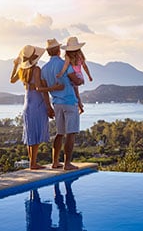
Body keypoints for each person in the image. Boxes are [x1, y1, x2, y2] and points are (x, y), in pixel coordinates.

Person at [10, 45, 64, 170]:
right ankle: (33, 163)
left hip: (27, 104)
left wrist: (15, 65)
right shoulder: (36, 70)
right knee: (37, 134)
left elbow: (12, 80)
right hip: (37, 104)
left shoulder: (22, 71)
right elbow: (40, 89)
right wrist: (54, 88)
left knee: (31, 134)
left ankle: (32, 162)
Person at [41, 38, 83, 170]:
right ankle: (67, 163)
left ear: (48, 52)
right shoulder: (64, 64)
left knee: (60, 133)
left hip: (56, 103)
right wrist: (81, 80)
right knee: (71, 133)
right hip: (69, 102)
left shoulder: (44, 69)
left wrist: (48, 107)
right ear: (59, 50)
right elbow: (75, 80)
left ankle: (55, 162)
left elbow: (45, 92)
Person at [57, 36, 93, 114]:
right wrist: (89, 76)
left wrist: (61, 73)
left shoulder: (68, 56)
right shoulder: (80, 55)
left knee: (74, 92)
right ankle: (80, 106)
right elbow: (85, 67)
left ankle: (80, 106)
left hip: (73, 77)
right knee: (76, 92)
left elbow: (65, 66)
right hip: (79, 76)